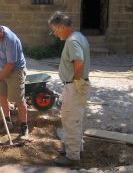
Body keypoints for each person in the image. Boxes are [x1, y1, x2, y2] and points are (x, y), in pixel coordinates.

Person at [48, 11, 90, 167]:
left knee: (71, 121)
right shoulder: (79, 37)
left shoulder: (72, 41)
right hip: (73, 85)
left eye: (55, 30)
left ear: (63, 27)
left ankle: (72, 157)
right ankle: (76, 149)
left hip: (74, 85)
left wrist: (76, 81)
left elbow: (78, 63)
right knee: (72, 119)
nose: (54, 33)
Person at [0, 21, 29, 139]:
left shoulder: (10, 40)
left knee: (18, 99)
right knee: (1, 95)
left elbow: (11, 64)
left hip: (15, 70)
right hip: (4, 69)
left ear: (1, 32)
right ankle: (8, 122)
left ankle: (24, 127)